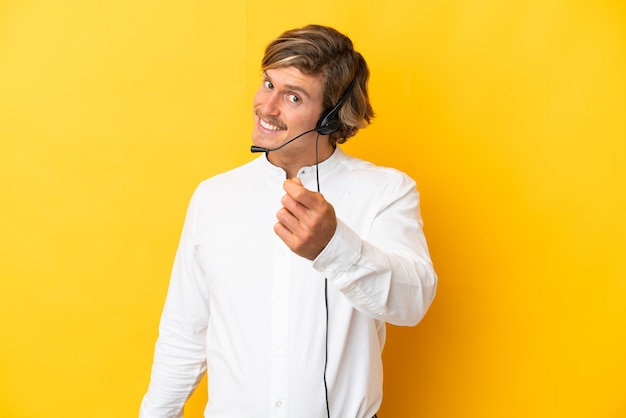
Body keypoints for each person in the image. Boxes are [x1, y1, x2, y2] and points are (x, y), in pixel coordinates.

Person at [139, 24, 437, 418]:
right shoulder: (213, 197)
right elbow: (185, 331)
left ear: (330, 117)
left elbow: (412, 302)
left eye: (293, 96)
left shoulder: (386, 191)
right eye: (267, 84)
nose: (267, 107)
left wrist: (336, 248)